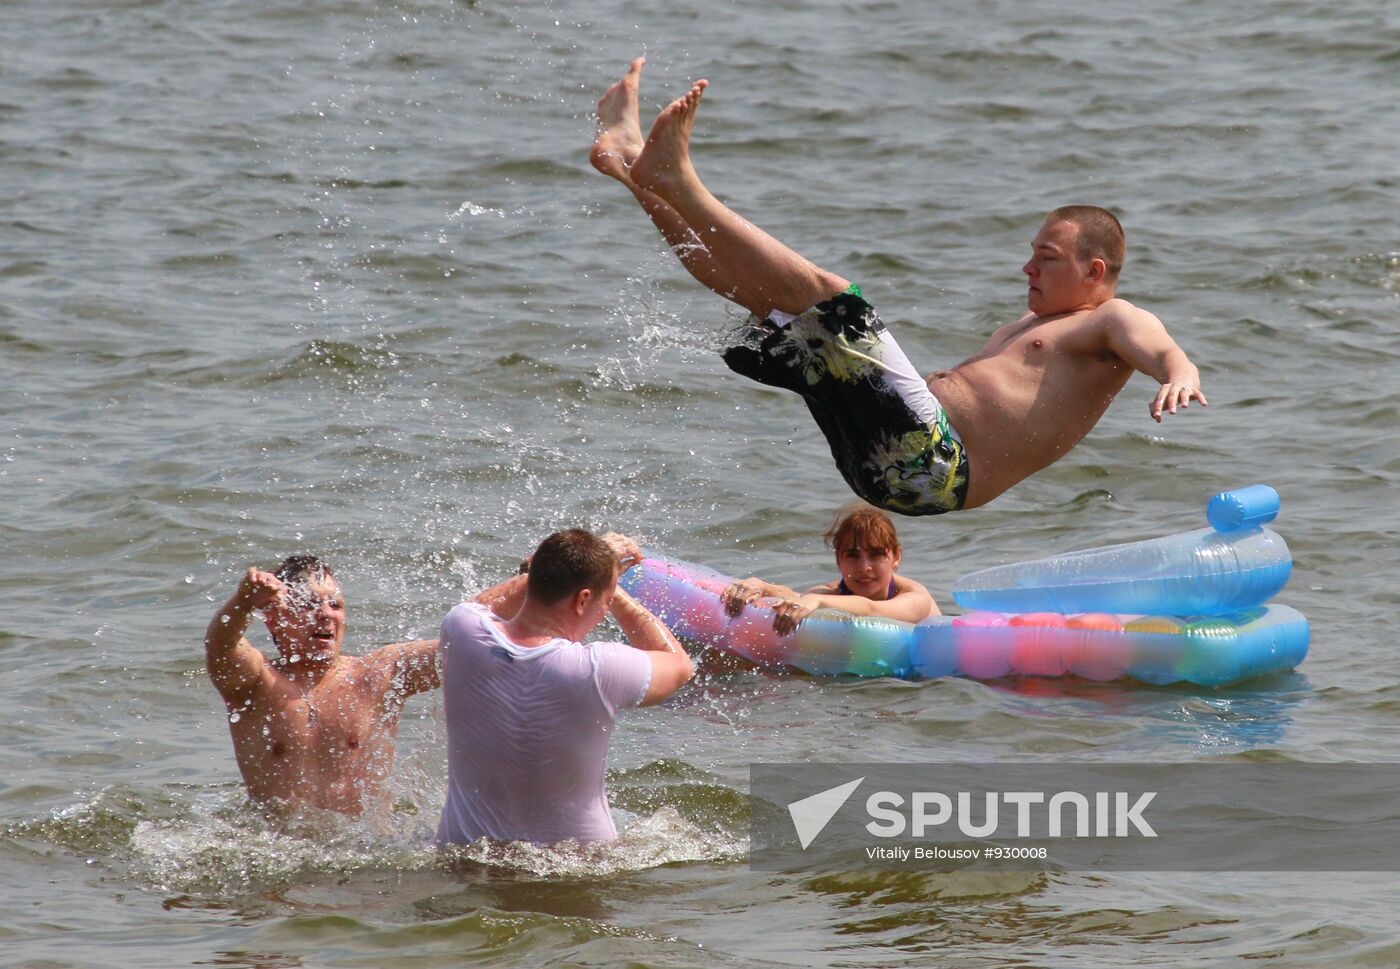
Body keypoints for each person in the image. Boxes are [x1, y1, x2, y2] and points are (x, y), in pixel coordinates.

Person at [589, 58, 1207, 516]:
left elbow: (1157, 346)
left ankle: (677, 177)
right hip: (882, 460)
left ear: (1094, 271)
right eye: (1031, 255)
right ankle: (630, 166)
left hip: (936, 469)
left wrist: (1180, 375)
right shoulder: (1028, 328)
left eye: (1046, 258)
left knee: (834, 298)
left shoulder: (1110, 320)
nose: (1028, 270)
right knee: (766, 296)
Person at [436, 529, 693, 846]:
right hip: (576, 863)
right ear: (584, 599)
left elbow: (490, 606)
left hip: (465, 855)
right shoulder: (598, 668)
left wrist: (579, 574)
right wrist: (615, 592)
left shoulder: (460, 629)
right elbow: (680, 666)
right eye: (606, 600)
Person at [203, 556, 441, 816]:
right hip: (281, 848)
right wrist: (242, 603)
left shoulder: (377, 675)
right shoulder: (256, 680)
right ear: (273, 619)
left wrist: (490, 606)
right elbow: (220, 646)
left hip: (367, 847)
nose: (326, 614)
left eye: (335, 605)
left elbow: (465, 649)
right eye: (309, 605)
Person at [719, 504, 937, 635]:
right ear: (838, 559)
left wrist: (817, 602)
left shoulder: (915, 597)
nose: (864, 567)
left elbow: (873, 610)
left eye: (876, 554)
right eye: (852, 555)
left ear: (896, 557)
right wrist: (761, 587)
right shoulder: (832, 594)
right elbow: (799, 597)